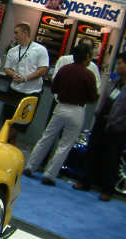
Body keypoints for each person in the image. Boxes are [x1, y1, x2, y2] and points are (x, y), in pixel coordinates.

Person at [23, 44, 98, 186]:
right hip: (77, 110)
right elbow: (93, 97)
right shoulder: (89, 75)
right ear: (87, 57)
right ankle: (49, 175)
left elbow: (54, 88)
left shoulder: (64, 69)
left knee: (46, 138)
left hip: (60, 107)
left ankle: (30, 166)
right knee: (65, 144)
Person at [74, 51, 126, 201]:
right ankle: (85, 181)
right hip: (102, 122)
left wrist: (118, 123)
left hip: (118, 128)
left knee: (112, 159)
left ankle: (107, 190)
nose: (118, 66)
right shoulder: (114, 82)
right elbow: (104, 99)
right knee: (92, 152)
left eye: (121, 63)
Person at [2, 22, 50, 144]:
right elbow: (7, 68)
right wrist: (13, 75)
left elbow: (43, 69)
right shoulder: (13, 51)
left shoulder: (40, 50)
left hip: (31, 93)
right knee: (8, 120)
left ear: (25, 33)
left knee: (21, 124)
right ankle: (8, 145)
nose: (14, 36)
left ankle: (2, 140)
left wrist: (26, 78)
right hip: (14, 91)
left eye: (16, 33)